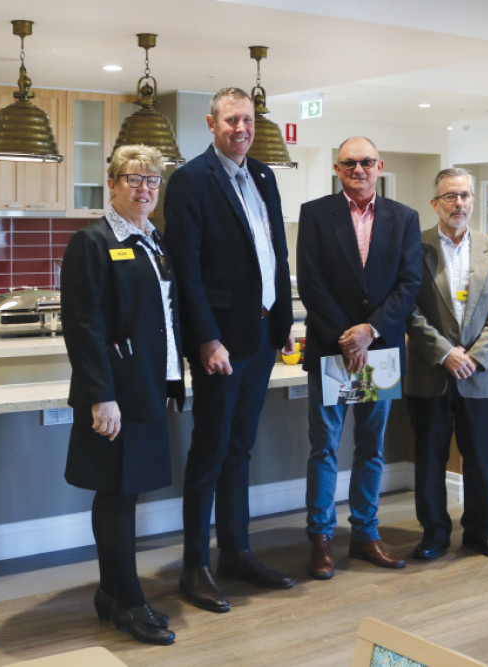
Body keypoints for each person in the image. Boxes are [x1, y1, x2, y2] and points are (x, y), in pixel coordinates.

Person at [163, 87, 296, 613]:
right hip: (220, 344)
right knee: (210, 452)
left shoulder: (263, 175)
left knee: (241, 449)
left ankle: (236, 552)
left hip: (263, 336)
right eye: (231, 120)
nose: (241, 128)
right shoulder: (192, 180)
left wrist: (283, 317)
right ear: (211, 123)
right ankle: (194, 566)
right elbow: (186, 269)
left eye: (248, 120)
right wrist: (206, 338)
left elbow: (276, 251)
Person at [60, 145, 183, 645]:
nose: (145, 187)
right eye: (134, 178)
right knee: (115, 495)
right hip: (116, 395)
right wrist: (100, 396)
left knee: (125, 493)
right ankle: (130, 601)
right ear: (111, 184)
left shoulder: (153, 242)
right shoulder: (91, 242)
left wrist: (176, 378)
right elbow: (83, 326)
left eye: (152, 180)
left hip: (149, 387)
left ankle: (111, 594)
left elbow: (164, 320)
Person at [296, 136, 422, 580]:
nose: (359, 169)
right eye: (350, 163)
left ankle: (366, 535)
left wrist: (370, 331)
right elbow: (309, 283)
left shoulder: (403, 218)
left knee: (372, 449)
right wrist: (346, 336)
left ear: (380, 166)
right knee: (324, 449)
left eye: (367, 162)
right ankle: (322, 539)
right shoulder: (314, 215)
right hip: (332, 350)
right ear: (337, 168)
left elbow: (409, 284)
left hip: (380, 353)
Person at [404, 168, 488, 562]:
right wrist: (446, 352)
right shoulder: (414, 247)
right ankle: (434, 533)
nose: (459, 204)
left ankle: (480, 533)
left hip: (477, 375)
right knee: (430, 458)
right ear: (435, 203)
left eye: (465, 196)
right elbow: (409, 310)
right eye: (450, 196)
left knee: (479, 458)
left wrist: (475, 355)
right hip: (430, 372)